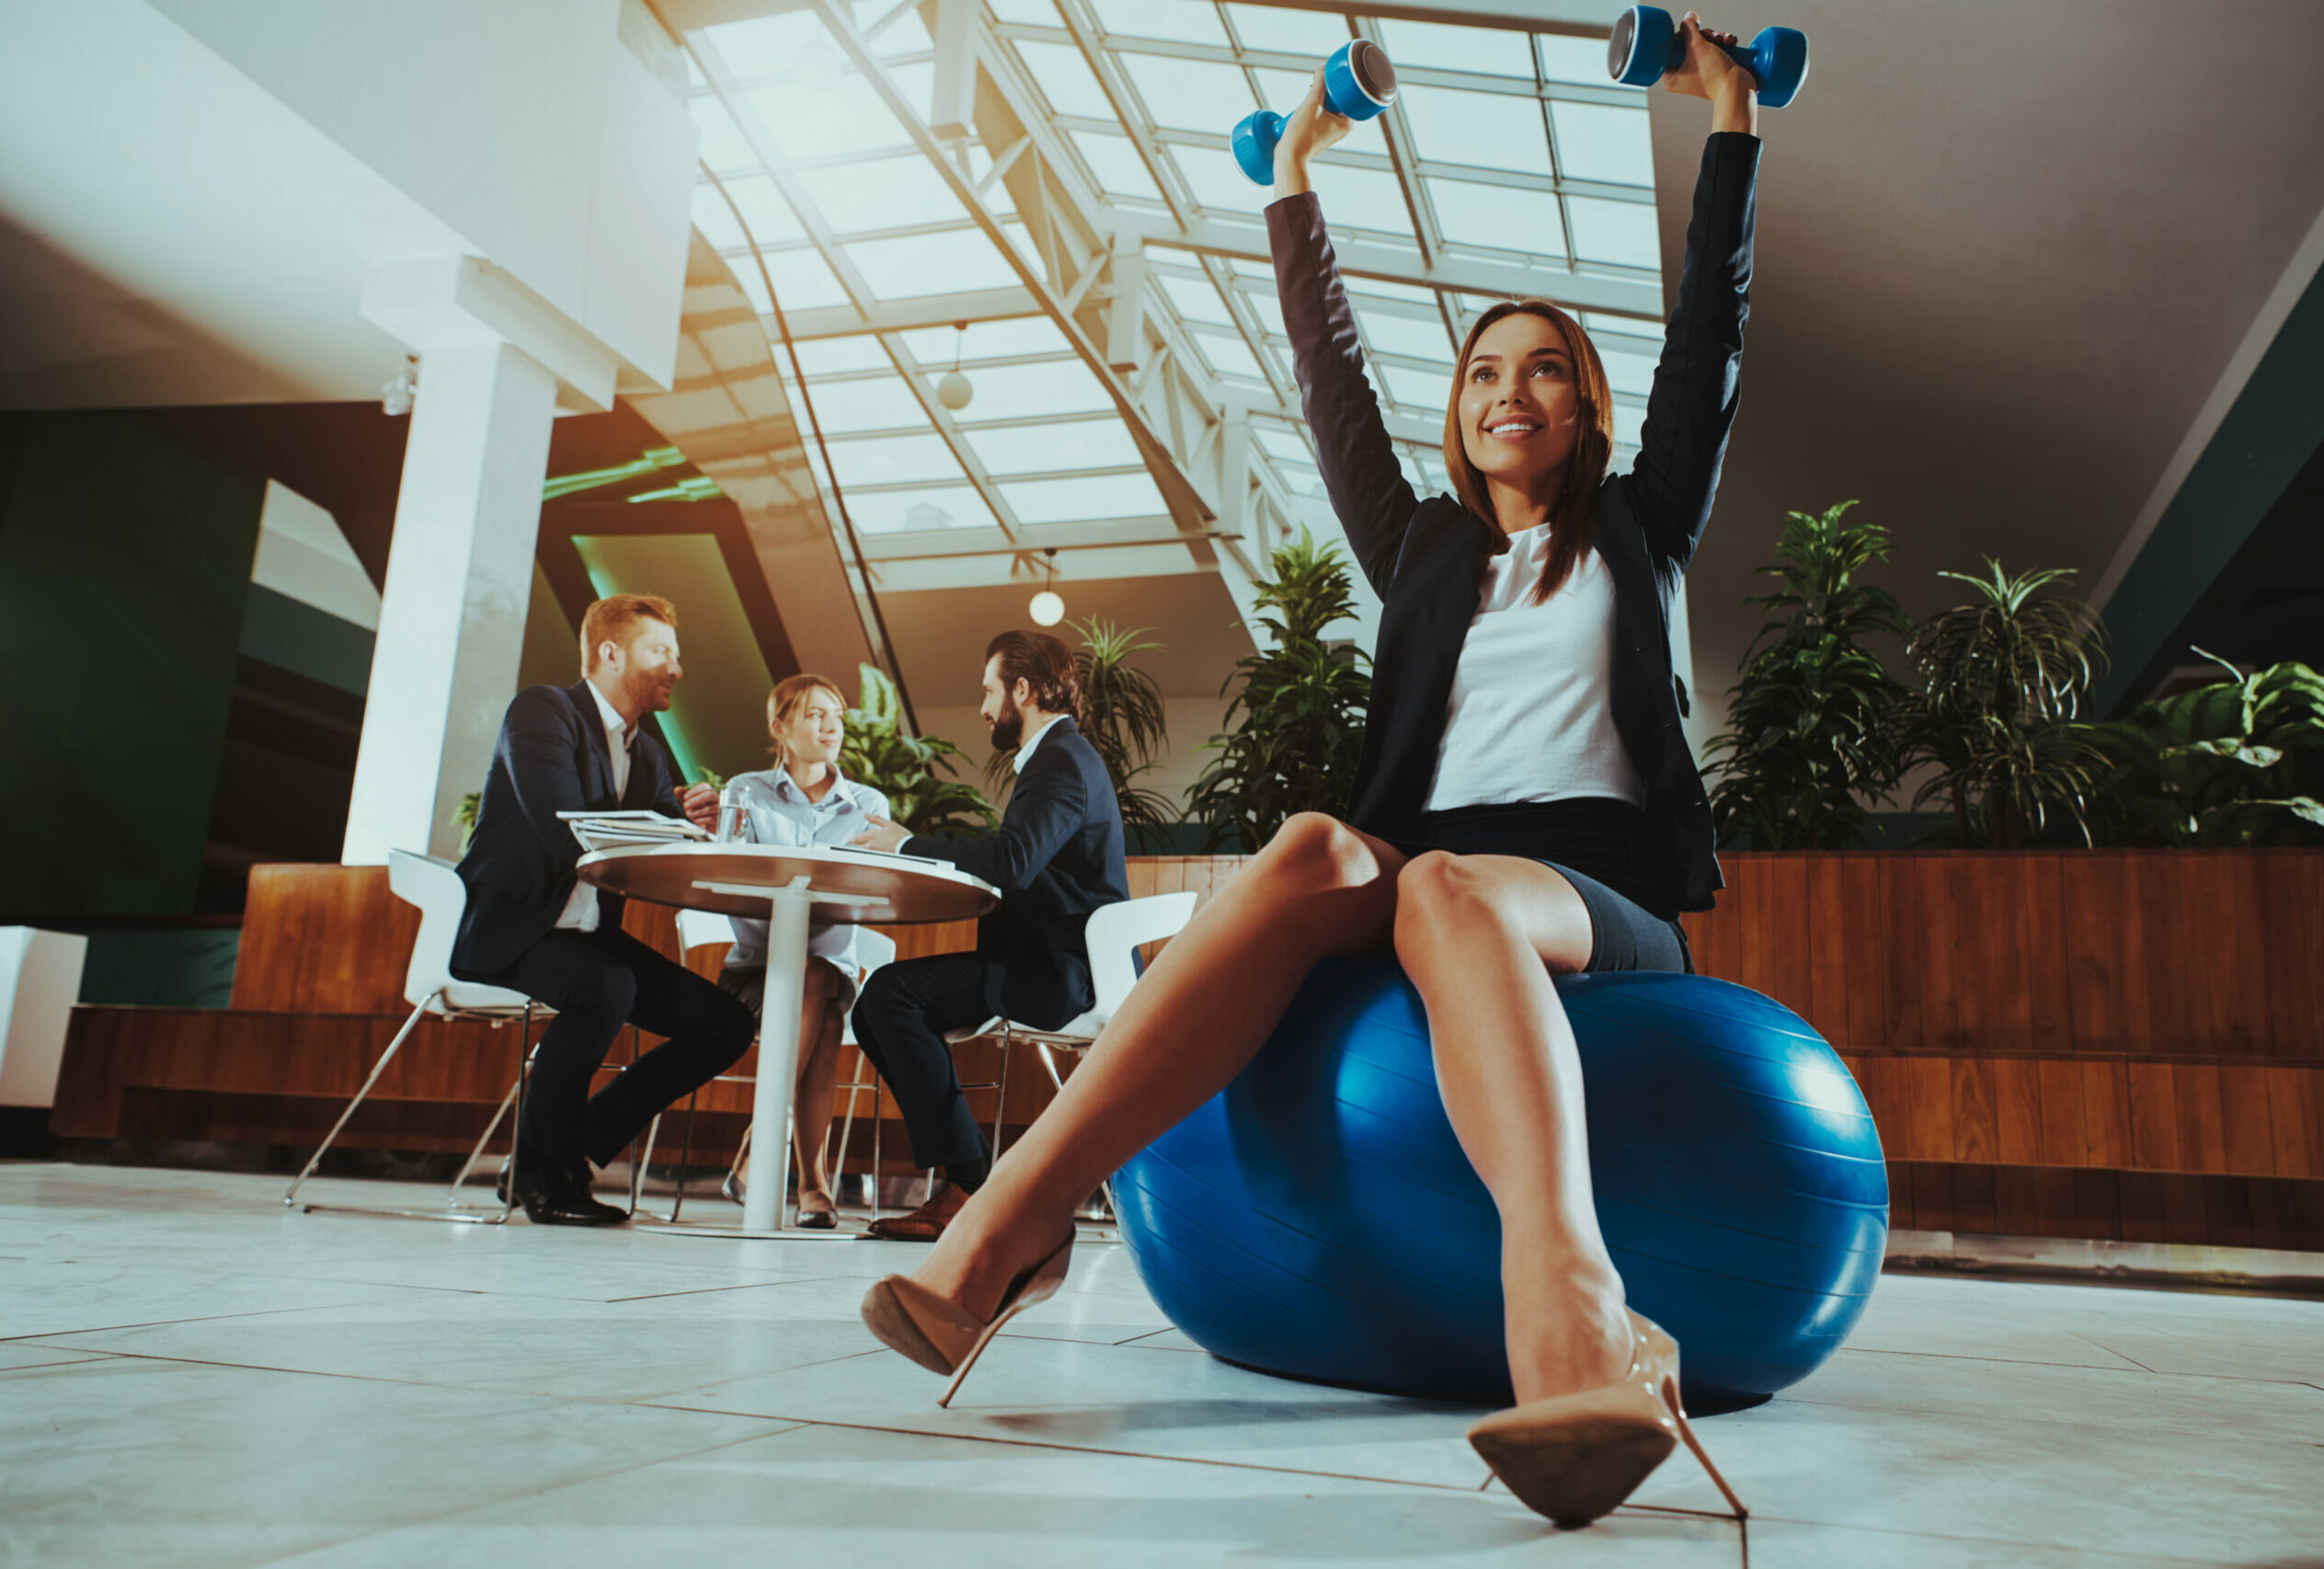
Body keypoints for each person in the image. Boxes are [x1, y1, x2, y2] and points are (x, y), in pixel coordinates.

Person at [857, 14, 1760, 1527]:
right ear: (1457, 411)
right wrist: (1287, 179)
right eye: (1483, 370)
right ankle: (1010, 1225)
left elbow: (1709, 339)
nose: (1509, 388)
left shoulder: (1638, 524)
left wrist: (1728, 120)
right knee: (1298, 849)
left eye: (1545, 369)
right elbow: (1325, 372)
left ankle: (1574, 1316)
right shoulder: (1414, 546)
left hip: (1587, 896)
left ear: (1585, 409)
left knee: (1450, 888)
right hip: (1419, 873)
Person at [451, 593, 754, 1226]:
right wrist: (664, 823)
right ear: (610, 653)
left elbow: (652, 839)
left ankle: (575, 1146)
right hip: (515, 930)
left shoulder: (645, 750)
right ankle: (543, 1174)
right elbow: (568, 830)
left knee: (724, 1024)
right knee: (604, 986)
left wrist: (686, 824)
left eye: (676, 653)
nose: (677, 667)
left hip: (585, 939)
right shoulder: (543, 711)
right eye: (661, 652)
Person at [843, 629, 1128, 1242]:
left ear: (1021, 690)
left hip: (1056, 974)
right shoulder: (1062, 757)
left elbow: (1011, 862)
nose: (981, 707)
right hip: (1043, 960)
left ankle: (969, 1187)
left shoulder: (1060, 761)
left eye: (987, 690)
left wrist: (905, 844)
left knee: (890, 996)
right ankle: (966, 1180)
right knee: (876, 1008)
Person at [711, 674, 891, 1230]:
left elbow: (877, 883)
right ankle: (813, 1185)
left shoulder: (867, 804)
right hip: (753, 973)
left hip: (827, 972)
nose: (831, 726)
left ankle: (758, 1147)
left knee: (817, 977)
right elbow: (727, 873)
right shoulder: (745, 790)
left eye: (836, 715)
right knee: (825, 1012)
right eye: (814, 715)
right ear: (780, 727)